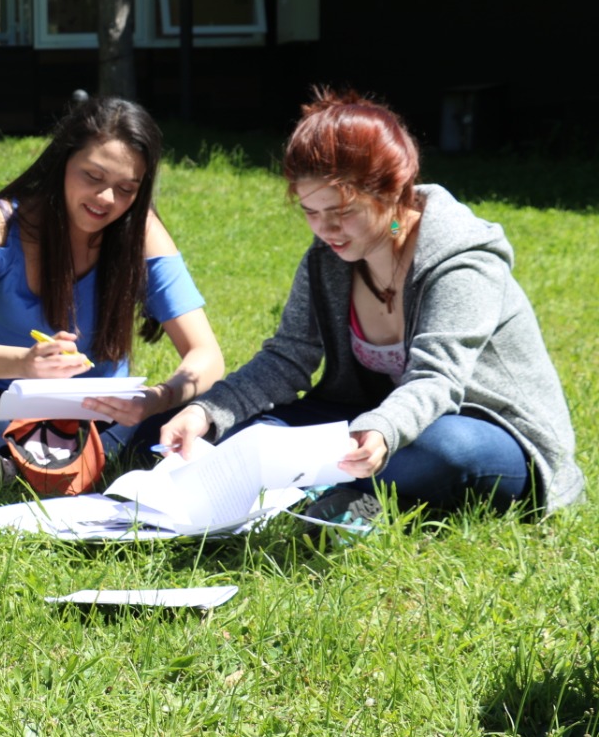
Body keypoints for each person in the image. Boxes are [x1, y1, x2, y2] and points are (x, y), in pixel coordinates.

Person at [158, 87, 584, 519]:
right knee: (239, 432)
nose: (326, 229)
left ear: (392, 191)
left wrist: (381, 428)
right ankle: (336, 491)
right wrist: (206, 411)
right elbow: (288, 356)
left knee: (445, 450)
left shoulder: (463, 260)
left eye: (342, 210)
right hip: (375, 418)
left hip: (487, 427)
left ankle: (325, 491)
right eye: (311, 211)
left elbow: (436, 379)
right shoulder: (327, 260)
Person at [0, 96, 224, 485]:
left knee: (207, 409)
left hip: (98, 415)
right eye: (93, 177)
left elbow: (207, 356)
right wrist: (25, 364)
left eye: (126, 189)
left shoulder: (142, 233)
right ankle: (75, 464)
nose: (106, 200)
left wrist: (157, 399)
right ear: (63, 161)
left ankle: (18, 463)